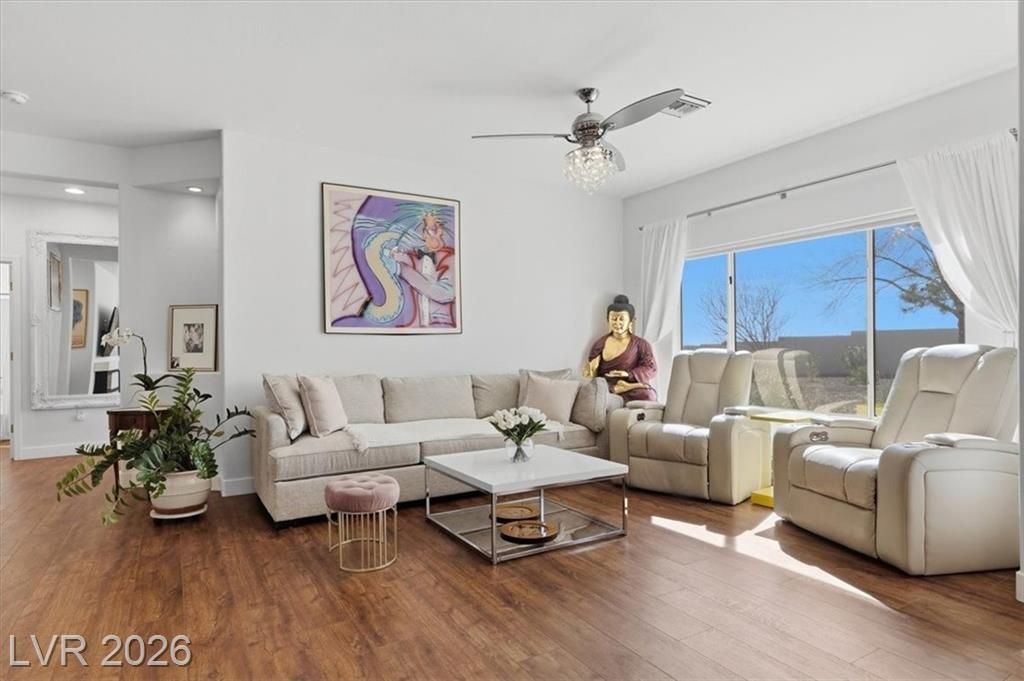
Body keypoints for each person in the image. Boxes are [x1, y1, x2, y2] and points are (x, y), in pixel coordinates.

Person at [583, 295, 657, 402]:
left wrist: (628, 374)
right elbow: (594, 376)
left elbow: (651, 368)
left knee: (648, 395)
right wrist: (591, 369)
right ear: (608, 320)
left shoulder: (641, 344)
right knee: (593, 392)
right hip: (608, 387)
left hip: (632, 387)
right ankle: (619, 388)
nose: (617, 323)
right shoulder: (600, 344)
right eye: (614, 319)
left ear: (631, 321)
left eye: (622, 319)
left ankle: (627, 386)